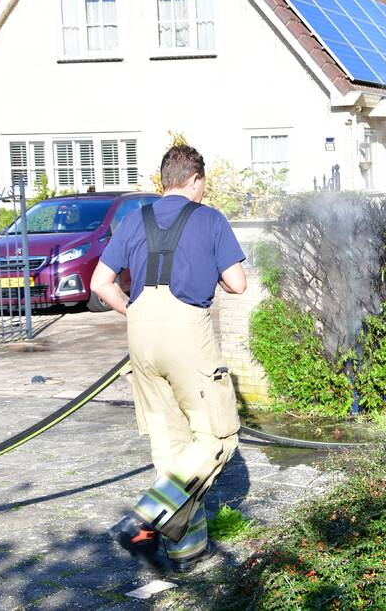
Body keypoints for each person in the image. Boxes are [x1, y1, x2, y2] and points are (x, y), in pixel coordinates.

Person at [91, 144, 247, 573]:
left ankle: (186, 554)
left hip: (140, 338)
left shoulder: (131, 220)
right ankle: (145, 519)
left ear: (164, 180)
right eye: (203, 183)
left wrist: (133, 309)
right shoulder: (209, 218)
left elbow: (101, 282)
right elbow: (237, 284)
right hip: (188, 339)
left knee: (171, 449)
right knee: (217, 439)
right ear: (195, 180)